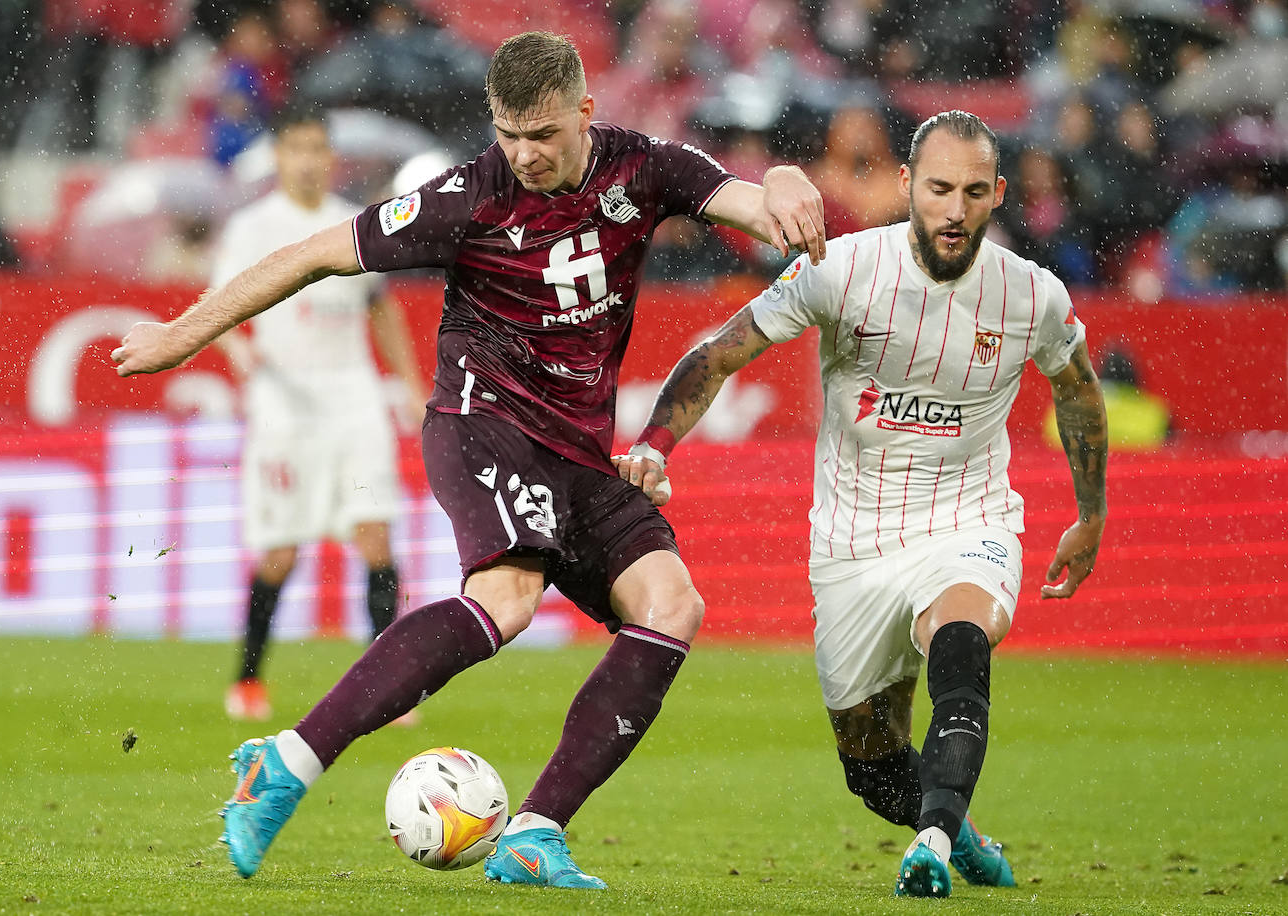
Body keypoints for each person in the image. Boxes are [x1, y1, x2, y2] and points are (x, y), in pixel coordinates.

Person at [112, 31, 825, 889]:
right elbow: (311, 256)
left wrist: (783, 179)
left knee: (672, 604)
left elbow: (752, 203)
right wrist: (179, 339)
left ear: (585, 113)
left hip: (578, 450)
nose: (524, 154)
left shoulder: (645, 168)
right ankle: (288, 762)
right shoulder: (464, 196)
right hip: (482, 421)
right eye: (509, 133)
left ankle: (534, 835)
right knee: (508, 596)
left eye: (544, 135)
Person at [614, 110, 1107, 898]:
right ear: (907, 185)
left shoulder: (1030, 295)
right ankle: (958, 830)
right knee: (872, 770)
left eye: (974, 192)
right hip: (853, 542)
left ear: (998, 196)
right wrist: (652, 446)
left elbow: (1078, 385)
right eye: (939, 188)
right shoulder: (841, 270)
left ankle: (937, 840)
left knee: (960, 633)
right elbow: (718, 355)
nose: (954, 209)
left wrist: (1091, 513)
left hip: (968, 518)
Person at [210, 105, 427, 722]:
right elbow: (219, 305)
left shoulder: (355, 224)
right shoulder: (254, 228)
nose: (308, 160)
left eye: (317, 149)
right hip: (283, 402)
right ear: (278, 157)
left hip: (353, 397)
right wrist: (237, 352)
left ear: (331, 159)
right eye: (296, 148)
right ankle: (248, 679)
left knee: (375, 535)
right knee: (280, 549)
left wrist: (410, 386)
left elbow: (381, 306)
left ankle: (388, 683)